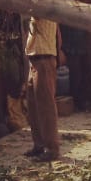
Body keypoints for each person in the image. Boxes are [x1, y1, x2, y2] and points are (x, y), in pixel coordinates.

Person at [24, 16, 63, 161]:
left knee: (45, 105)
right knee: (33, 105)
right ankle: (39, 144)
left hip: (43, 59)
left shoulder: (42, 9)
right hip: (34, 59)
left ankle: (52, 148)